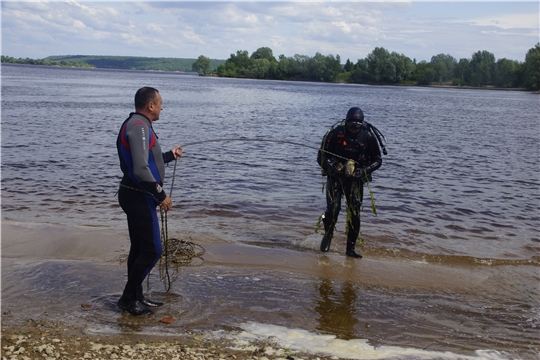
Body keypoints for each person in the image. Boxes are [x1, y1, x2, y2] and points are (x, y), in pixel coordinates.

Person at [116, 87, 183, 316]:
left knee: (139, 248)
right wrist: (161, 195)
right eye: (160, 103)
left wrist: (169, 156)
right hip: (137, 196)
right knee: (153, 250)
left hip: (137, 195)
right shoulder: (138, 127)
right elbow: (141, 169)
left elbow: (148, 161)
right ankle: (128, 298)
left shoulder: (141, 126)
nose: (162, 107)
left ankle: (136, 296)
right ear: (150, 105)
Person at [317, 107, 383, 258]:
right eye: (351, 125)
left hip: (355, 180)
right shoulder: (335, 134)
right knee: (333, 208)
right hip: (335, 177)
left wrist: (363, 171)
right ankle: (328, 235)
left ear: (361, 125)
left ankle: (350, 248)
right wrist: (331, 167)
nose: (354, 129)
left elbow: (378, 160)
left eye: (357, 126)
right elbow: (321, 156)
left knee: (354, 213)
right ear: (346, 123)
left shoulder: (368, 136)